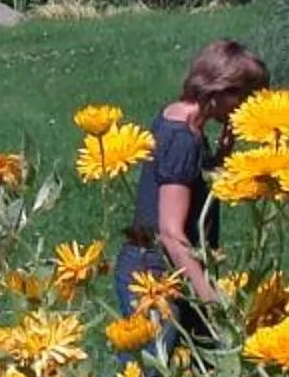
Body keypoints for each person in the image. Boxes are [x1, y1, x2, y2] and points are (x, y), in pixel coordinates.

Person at [113, 38, 269, 344]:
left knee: (193, 370)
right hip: (157, 276)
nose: (251, 106)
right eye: (248, 97)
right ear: (223, 91)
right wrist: (209, 297)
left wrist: (220, 156)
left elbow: (183, 181)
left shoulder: (176, 116)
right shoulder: (183, 138)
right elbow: (170, 232)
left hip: (166, 268)